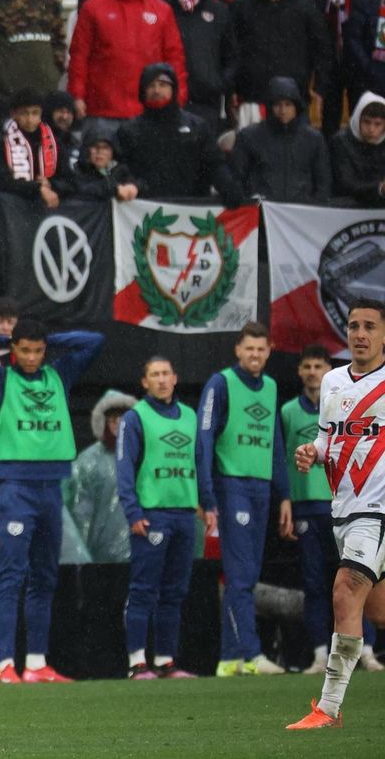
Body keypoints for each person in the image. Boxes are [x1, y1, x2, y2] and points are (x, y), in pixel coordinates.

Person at [0, 319, 104, 682]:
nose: (31, 357)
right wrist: (8, 338)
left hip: (51, 486)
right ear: (13, 349)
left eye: (38, 350)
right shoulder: (1, 378)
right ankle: (6, 664)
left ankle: (37, 664)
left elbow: (94, 340)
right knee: (12, 574)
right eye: (24, 350)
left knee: (45, 576)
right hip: (16, 487)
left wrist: (52, 338)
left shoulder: (60, 374)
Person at [288, 299, 385, 727]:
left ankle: (327, 708)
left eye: (370, 326)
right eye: (353, 325)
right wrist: (313, 451)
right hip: (343, 509)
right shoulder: (331, 382)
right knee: (377, 611)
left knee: (345, 590)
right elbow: (330, 439)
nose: (360, 333)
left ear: (383, 335)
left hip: (377, 508)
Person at [199, 322, 290, 676]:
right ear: (238, 349)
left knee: (247, 575)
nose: (254, 355)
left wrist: (283, 495)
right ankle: (252, 655)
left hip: (261, 489)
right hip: (231, 485)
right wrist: (207, 496)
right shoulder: (220, 383)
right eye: (248, 348)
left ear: (269, 351)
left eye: (261, 349)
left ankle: (229, 658)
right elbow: (203, 440)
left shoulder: (270, 387)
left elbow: (276, 446)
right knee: (240, 575)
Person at [112, 359, 201, 678]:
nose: (162, 380)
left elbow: (199, 463)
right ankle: (137, 662)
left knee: (175, 591)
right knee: (143, 589)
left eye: (166, 374)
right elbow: (124, 468)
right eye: (155, 375)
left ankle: (166, 660)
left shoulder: (190, 416)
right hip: (152, 515)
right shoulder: (136, 418)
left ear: (175, 378)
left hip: (184, 514)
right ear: (144, 382)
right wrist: (133, 511)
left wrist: (207, 502)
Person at [68, 0, 188, 145]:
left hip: (149, 112)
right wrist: (77, 95)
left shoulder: (162, 10)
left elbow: (174, 58)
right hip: (102, 111)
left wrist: (178, 97)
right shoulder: (92, 8)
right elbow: (79, 56)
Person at [229, 0, 333, 128]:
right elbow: (230, 51)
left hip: (294, 100)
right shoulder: (240, 6)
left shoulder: (304, 5)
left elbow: (322, 49)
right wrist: (231, 87)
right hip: (252, 99)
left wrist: (320, 87)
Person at [116, 63, 234, 199]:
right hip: (144, 210)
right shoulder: (129, 130)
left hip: (191, 206)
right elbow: (120, 168)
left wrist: (229, 188)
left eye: (162, 85)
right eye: (151, 86)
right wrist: (132, 185)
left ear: (174, 89)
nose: (157, 91)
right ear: (143, 92)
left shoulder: (197, 126)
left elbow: (214, 164)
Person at [228, 76, 333, 203]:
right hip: (261, 214)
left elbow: (323, 183)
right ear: (270, 107)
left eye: (288, 105)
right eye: (277, 104)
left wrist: (314, 209)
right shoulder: (249, 137)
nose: (283, 111)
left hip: (303, 215)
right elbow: (236, 179)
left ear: (296, 107)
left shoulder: (314, 139)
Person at [67, 389, 138, 567]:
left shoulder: (144, 457)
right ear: (103, 422)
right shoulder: (88, 461)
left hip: (140, 548)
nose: (118, 424)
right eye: (112, 419)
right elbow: (79, 513)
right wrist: (81, 553)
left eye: (123, 418)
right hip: (100, 553)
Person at [169, 0, 236, 128]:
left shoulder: (220, 11)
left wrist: (220, 84)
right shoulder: (162, 8)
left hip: (209, 103)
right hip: (170, 100)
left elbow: (233, 56)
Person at [0, 90, 72, 208]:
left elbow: (71, 182)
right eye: (24, 113)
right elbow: (1, 181)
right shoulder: (0, 144)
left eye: (35, 113)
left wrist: (50, 184)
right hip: (12, 212)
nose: (30, 119)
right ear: (13, 114)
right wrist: (37, 188)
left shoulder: (54, 143)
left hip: (45, 213)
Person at [332, 91, 385, 205]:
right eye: (367, 122)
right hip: (348, 205)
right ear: (358, 119)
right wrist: (379, 188)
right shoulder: (340, 142)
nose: (371, 129)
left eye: (377, 124)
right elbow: (345, 184)